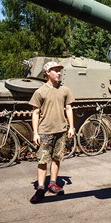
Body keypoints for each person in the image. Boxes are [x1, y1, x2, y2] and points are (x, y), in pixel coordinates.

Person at [29, 61, 75, 204]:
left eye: (59, 70)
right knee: (43, 160)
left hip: (61, 130)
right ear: (47, 72)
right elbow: (35, 112)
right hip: (45, 131)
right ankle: (41, 187)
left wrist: (71, 127)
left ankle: (53, 184)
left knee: (57, 158)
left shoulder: (65, 90)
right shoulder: (40, 91)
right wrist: (35, 133)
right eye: (55, 70)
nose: (58, 73)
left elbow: (68, 108)